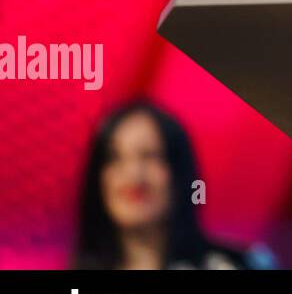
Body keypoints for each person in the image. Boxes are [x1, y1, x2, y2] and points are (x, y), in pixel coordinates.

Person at [72, 99, 274, 270]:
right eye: (115, 158)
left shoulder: (235, 264)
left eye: (150, 156)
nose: (134, 175)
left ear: (179, 171)